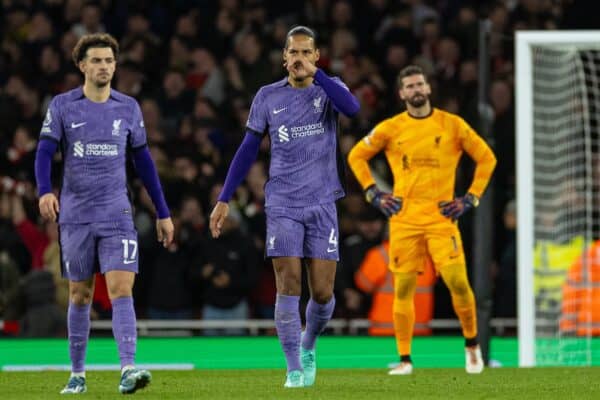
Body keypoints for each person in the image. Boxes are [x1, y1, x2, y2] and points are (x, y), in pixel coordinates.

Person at [209, 26, 359, 388]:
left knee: (322, 293)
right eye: (293, 53)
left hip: (323, 203)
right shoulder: (267, 96)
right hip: (282, 204)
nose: (299, 59)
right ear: (283, 57)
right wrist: (224, 198)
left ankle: (308, 344)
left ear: (317, 56)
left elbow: (352, 109)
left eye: (307, 53)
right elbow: (247, 151)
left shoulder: (329, 88)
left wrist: (319, 76)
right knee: (287, 283)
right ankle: (293, 367)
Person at [34, 33, 174, 394]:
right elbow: (45, 152)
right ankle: (77, 374)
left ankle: (128, 369)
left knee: (120, 288)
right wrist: (45, 190)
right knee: (80, 294)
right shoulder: (63, 106)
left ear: (115, 65)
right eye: (96, 60)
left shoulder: (128, 107)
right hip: (76, 215)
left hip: (116, 213)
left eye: (109, 61)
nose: (104, 66)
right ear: (82, 65)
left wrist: (162, 211)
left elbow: (144, 163)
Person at [347, 65, 496, 375]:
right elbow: (356, 156)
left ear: (428, 89)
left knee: (458, 282)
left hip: (442, 218)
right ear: (402, 94)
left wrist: (471, 197)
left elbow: (487, 157)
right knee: (403, 288)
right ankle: (405, 359)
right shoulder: (391, 128)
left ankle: (472, 348)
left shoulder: (452, 125)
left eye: (419, 84)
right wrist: (373, 193)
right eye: (409, 86)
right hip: (404, 220)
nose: (415, 90)